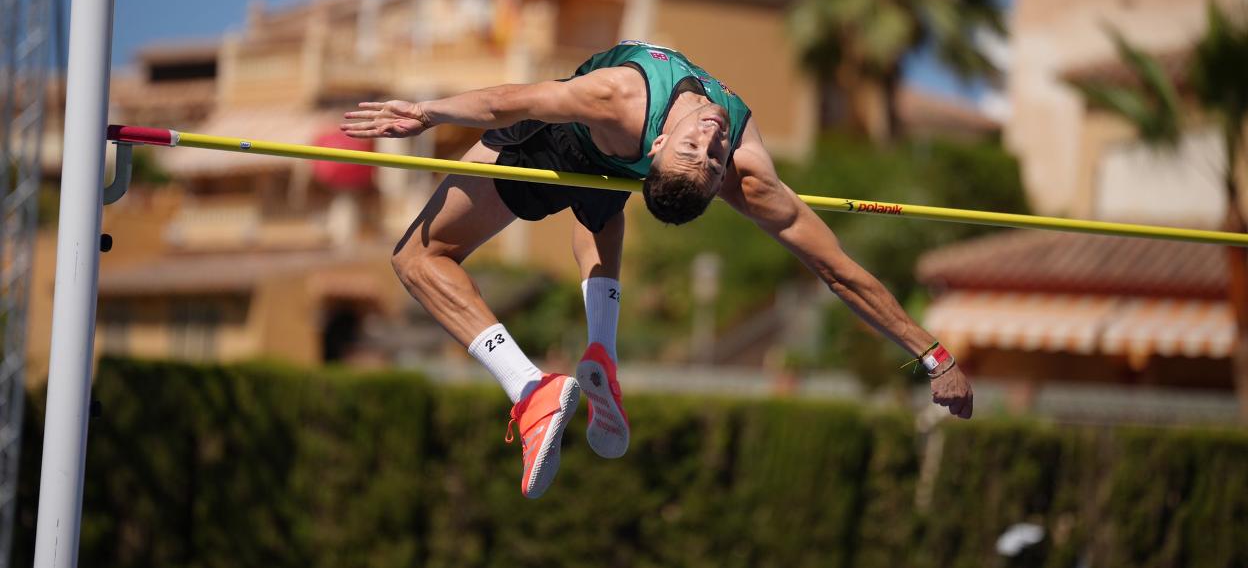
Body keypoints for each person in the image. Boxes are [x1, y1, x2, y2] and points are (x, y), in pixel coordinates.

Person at [341, 40, 973, 499]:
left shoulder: (653, 121)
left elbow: (837, 271)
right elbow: (511, 100)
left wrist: (934, 357)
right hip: (583, 152)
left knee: (419, 258)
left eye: (709, 152)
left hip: (576, 150)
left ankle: (531, 389)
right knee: (593, 215)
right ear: (658, 151)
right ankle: (601, 358)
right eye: (706, 149)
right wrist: (432, 112)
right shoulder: (680, 129)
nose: (713, 137)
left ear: (657, 158)